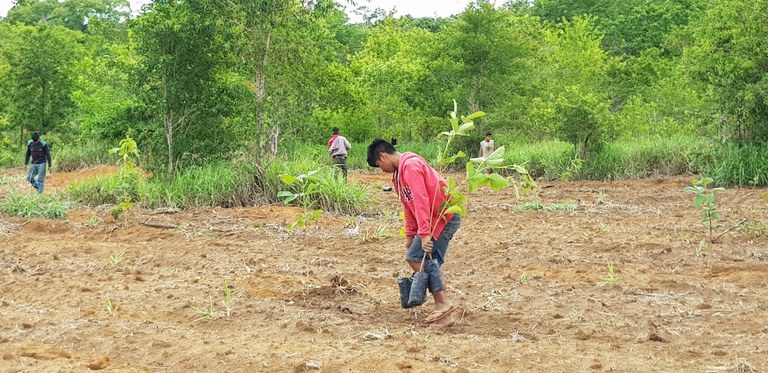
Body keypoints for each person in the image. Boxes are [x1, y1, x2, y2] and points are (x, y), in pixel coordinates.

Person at [367, 139, 461, 329]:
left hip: (443, 217)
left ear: (383, 156)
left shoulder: (411, 166)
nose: (381, 170)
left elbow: (421, 201)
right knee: (429, 263)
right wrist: (410, 234)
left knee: (418, 259)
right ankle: (444, 315)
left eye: (379, 165)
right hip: (433, 220)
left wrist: (424, 234)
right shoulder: (398, 177)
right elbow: (408, 205)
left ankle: (443, 303)